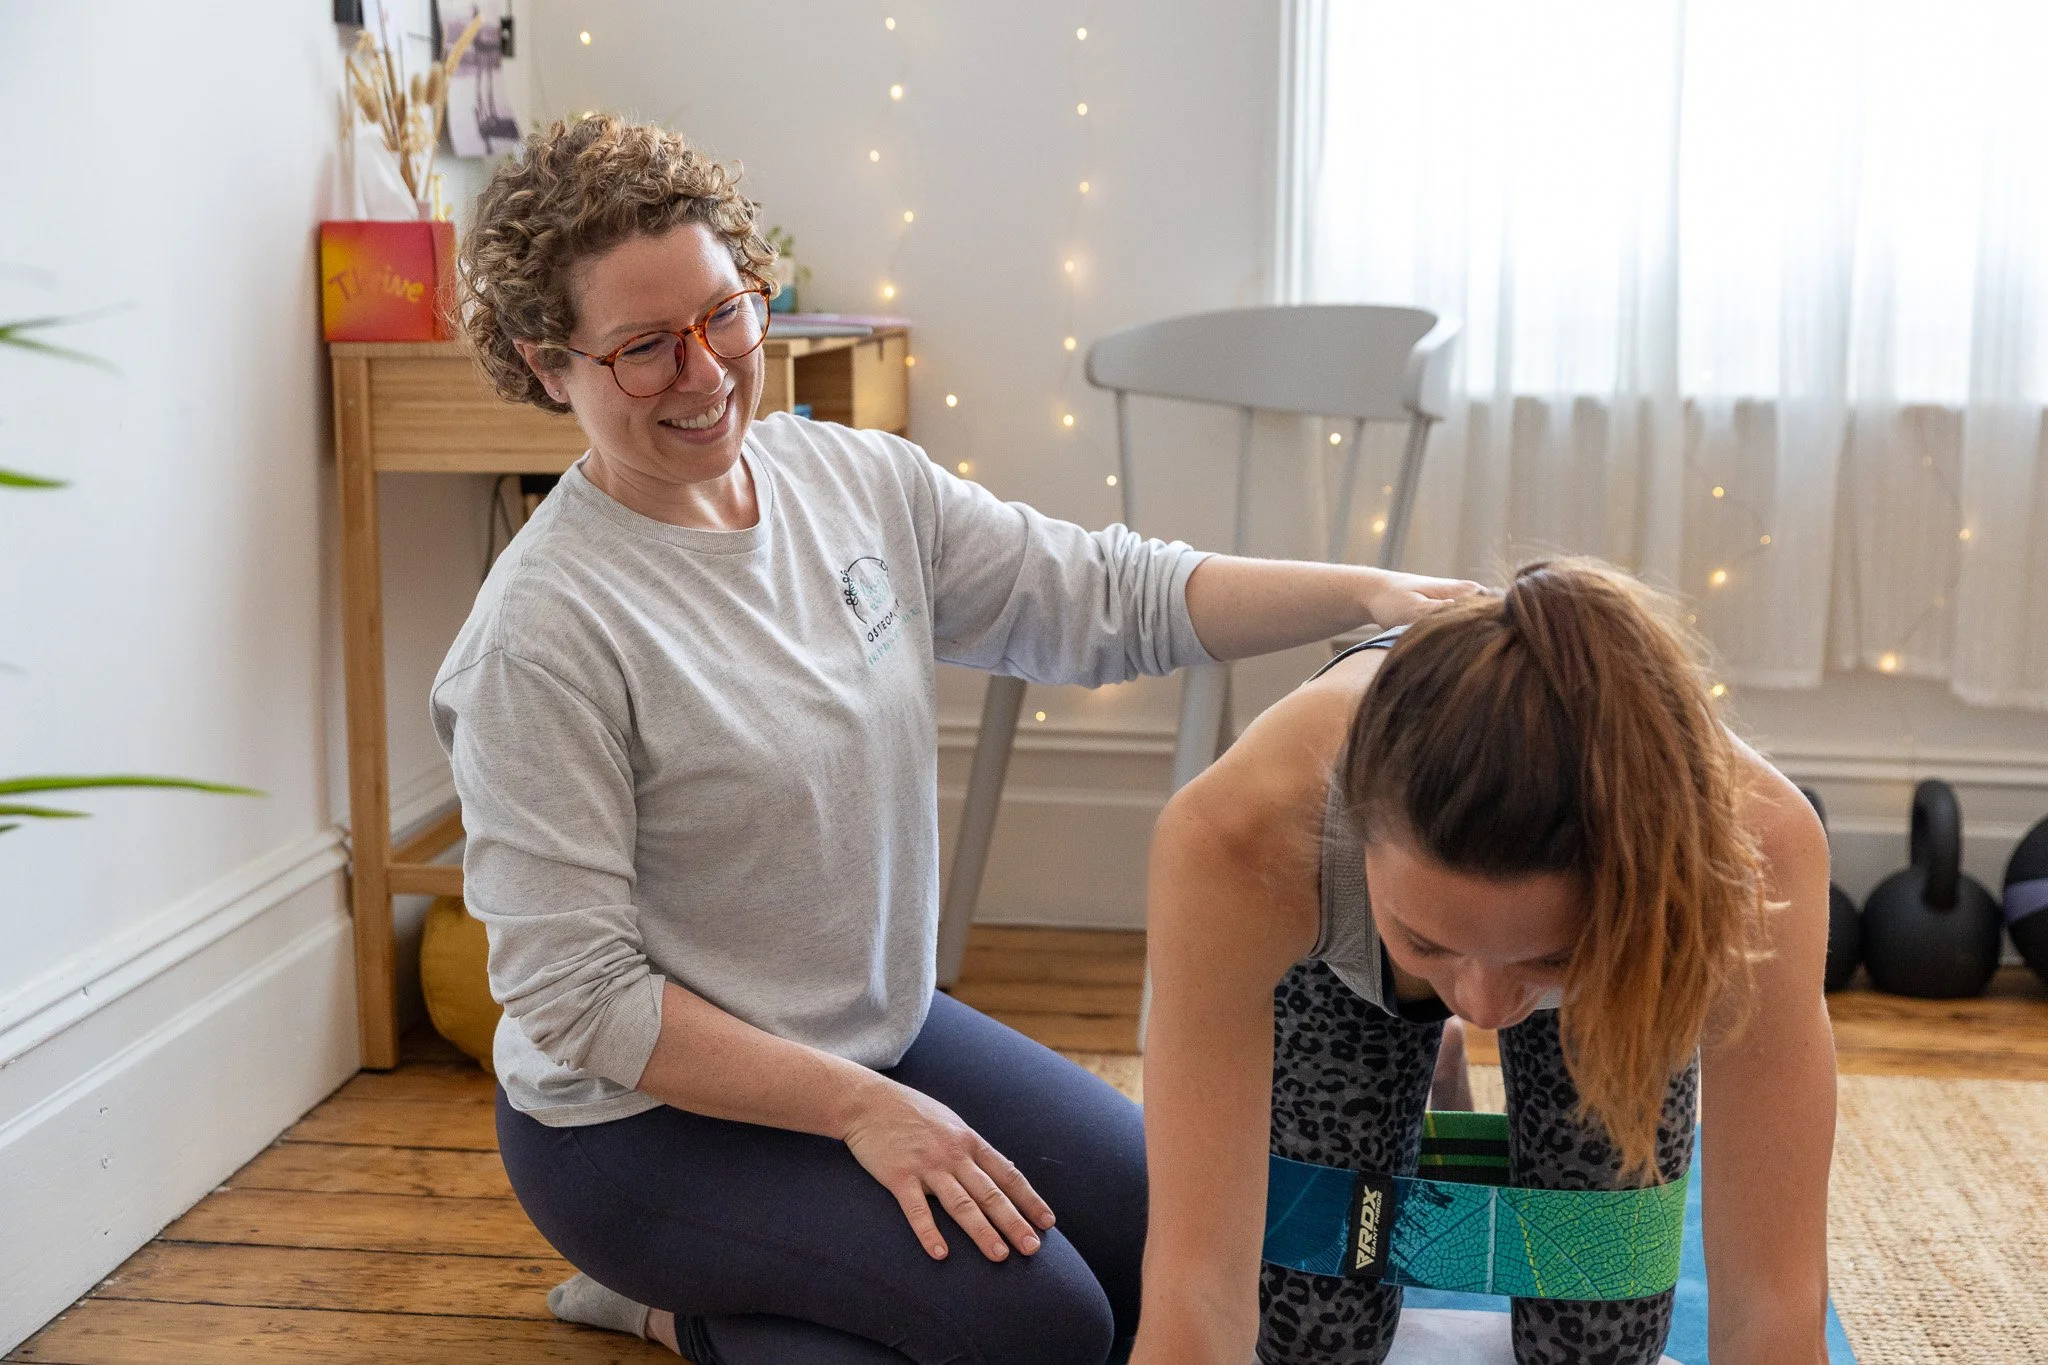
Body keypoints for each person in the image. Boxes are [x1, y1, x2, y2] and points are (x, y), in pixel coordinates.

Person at [430, 113, 1480, 1365]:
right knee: (1040, 1329)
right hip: (638, 1125)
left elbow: (1106, 595)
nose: (705, 373)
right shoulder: (540, 637)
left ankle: (767, 1291)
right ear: (551, 365)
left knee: (1196, 1240)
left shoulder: (853, 484)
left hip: (880, 1030)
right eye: (645, 349)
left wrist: (1367, 594)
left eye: (723, 315)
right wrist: (868, 1113)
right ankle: (680, 1308)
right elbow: (580, 999)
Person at [1133, 559, 1838, 1365]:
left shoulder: (1755, 851)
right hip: (1342, 967)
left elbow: (1773, 1302)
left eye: (1548, 955)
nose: (1485, 1003)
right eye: (1429, 942)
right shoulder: (1242, 836)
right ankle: (1425, 1027)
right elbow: (1194, 1286)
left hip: (1620, 972)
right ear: (1357, 834)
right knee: (1308, 1338)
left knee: (1595, 1349)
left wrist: (1506, 960)